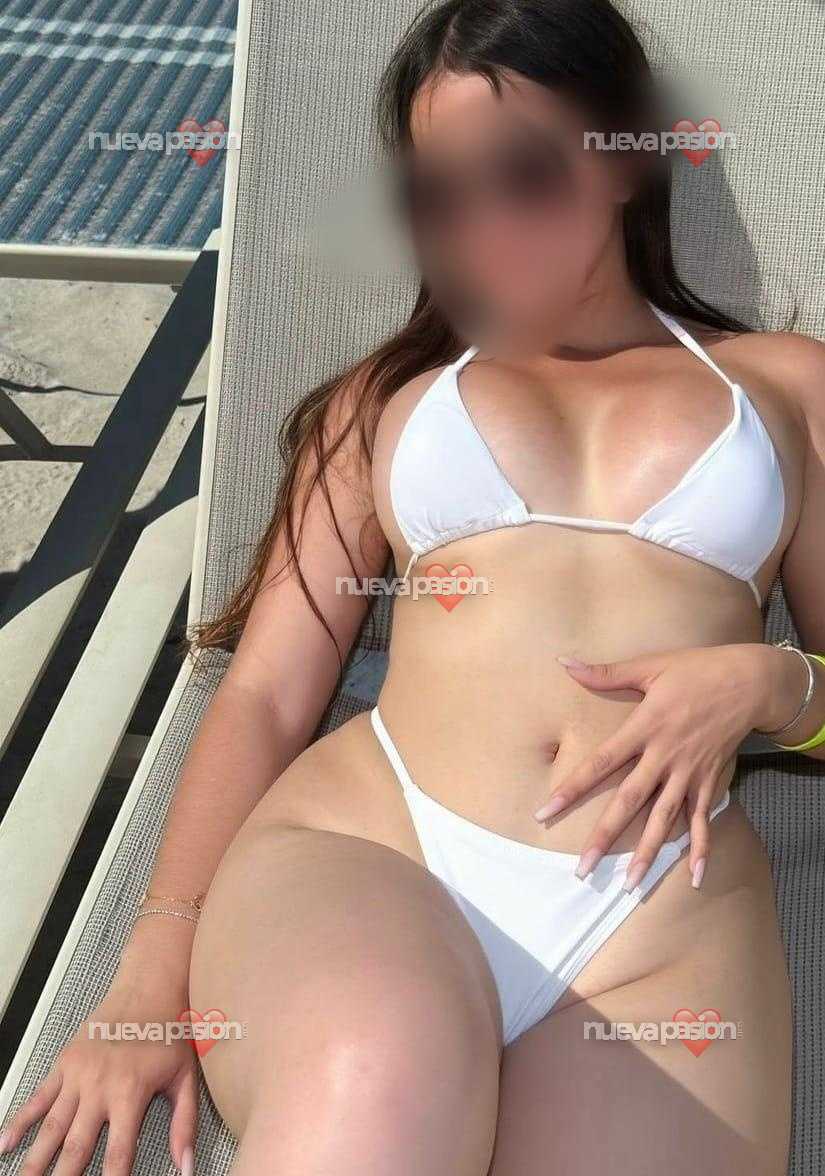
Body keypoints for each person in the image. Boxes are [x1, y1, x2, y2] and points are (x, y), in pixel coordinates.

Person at [3, 1, 823, 1173]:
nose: (485, 229)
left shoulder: (785, 390)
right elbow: (264, 691)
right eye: (444, 193)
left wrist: (772, 685)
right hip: (378, 856)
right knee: (378, 1091)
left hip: (656, 931)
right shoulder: (387, 403)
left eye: (525, 175)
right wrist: (149, 970)